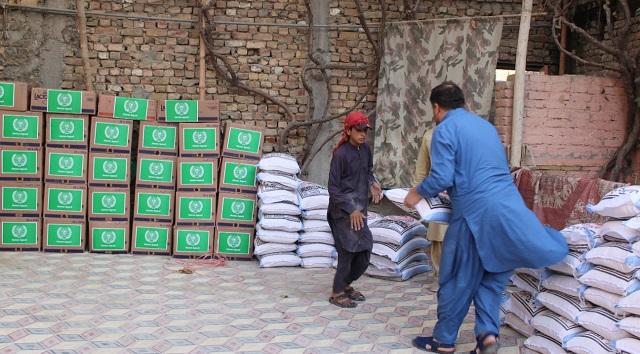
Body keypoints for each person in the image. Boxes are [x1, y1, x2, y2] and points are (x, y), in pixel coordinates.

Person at [404, 82, 568, 353]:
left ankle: (443, 341)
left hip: (474, 215)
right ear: (463, 102)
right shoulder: (487, 128)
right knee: (491, 279)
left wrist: (417, 193)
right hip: (510, 210)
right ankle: (487, 337)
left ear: (436, 107)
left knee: (457, 277)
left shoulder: (444, 129)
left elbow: (442, 176)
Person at [327, 111, 382, 308]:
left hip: (360, 210)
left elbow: (368, 171)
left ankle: (346, 284)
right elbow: (333, 189)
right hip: (342, 212)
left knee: (365, 250)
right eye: (358, 130)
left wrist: (372, 183)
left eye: (365, 130)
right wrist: (351, 209)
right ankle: (337, 292)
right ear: (348, 130)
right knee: (347, 252)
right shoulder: (340, 155)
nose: (363, 134)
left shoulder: (365, 149)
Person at [413, 124, 448, 292]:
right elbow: (422, 168)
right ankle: (440, 276)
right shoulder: (430, 136)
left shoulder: (465, 132)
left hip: (462, 193)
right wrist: (418, 192)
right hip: (438, 193)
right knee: (438, 237)